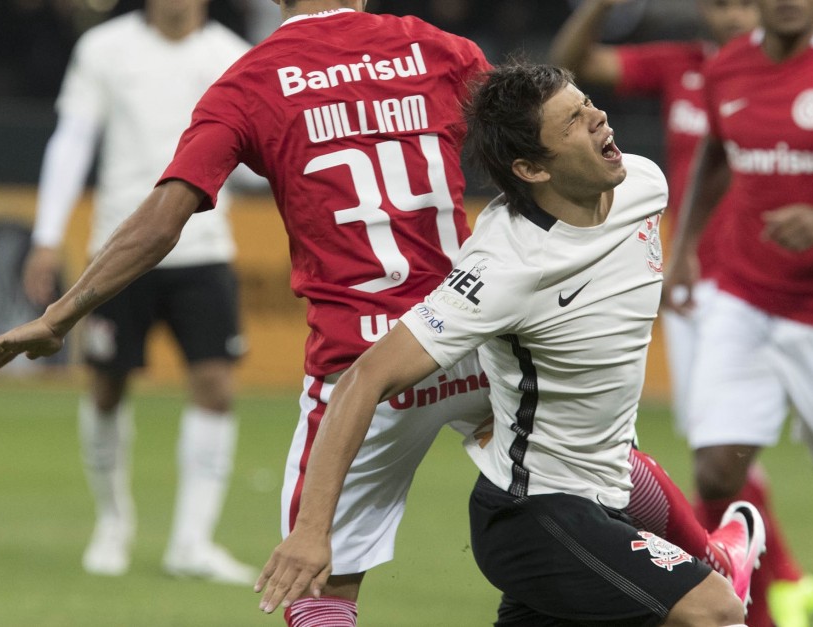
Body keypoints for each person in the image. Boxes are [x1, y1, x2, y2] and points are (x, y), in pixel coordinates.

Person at [0, 1, 495, 624]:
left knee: (315, 584)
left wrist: (58, 317)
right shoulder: (441, 49)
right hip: (472, 334)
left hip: (361, 365)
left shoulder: (249, 74)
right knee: (602, 485)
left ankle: (187, 538)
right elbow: (538, 133)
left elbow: (165, 217)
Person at [256, 62, 766, 626]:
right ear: (530, 167)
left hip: (606, 500)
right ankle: (717, 564)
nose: (598, 117)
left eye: (588, 102)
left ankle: (716, 555)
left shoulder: (644, 183)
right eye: (572, 120)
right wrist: (311, 531)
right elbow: (364, 378)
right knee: (715, 611)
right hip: (536, 515)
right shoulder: (502, 267)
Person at [549, 3, 813, 625]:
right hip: (696, 282)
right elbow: (569, 70)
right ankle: (776, 582)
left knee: (802, 452)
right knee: (717, 449)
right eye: (722, 3)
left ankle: (773, 577)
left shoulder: (807, 76)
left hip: (782, 284)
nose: (735, 15)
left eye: (746, 3)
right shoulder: (684, 67)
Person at [19, 0, 259, 584]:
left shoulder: (233, 56)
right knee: (106, 386)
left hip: (204, 248)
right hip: (119, 249)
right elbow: (73, 139)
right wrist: (48, 235)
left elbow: (258, 159)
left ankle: (191, 542)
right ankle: (112, 522)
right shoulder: (104, 48)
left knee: (215, 386)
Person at [664, 0, 813, 624]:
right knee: (717, 470)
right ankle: (742, 618)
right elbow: (717, 156)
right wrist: (686, 247)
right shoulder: (727, 69)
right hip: (744, 297)